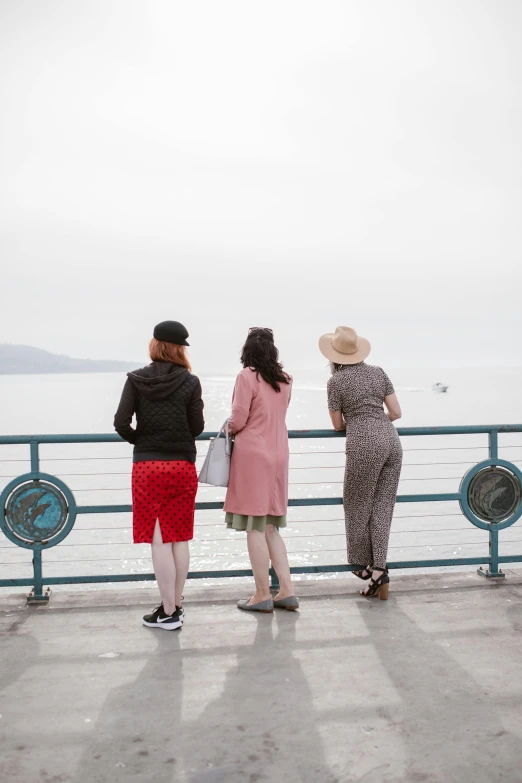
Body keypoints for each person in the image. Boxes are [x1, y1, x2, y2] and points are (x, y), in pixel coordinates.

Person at [114, 320, 204, 629]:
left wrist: (143, 441)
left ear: (154, 345)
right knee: (179, 537)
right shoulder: (191, 382)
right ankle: (175, 606)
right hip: (182, 466)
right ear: (180, 349)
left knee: (158, 540)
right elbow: (197, 428)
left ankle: (168, 612)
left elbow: (121, 423)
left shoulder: (136, 379)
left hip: (148, 467)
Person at [319, 326, 402, 600]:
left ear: (334, 357)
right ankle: (379, 569)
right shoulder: (378, 372)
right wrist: (376, 421)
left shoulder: (336, 383)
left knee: (355, 505)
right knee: (382, 508)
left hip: (364, 446)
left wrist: (360, 421)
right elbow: (396, 412)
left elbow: (336, 425)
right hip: (392, 443)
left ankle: (362, 568)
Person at [224, 327, 298, 612]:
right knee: (270, 527)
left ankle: (261, 594)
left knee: (254, 527)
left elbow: (239, 418)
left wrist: (226, 429)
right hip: (279, 454)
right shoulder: (286, 379)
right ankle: (287, 591)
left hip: (253, 456)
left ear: (247, 351)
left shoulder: (246, 376)